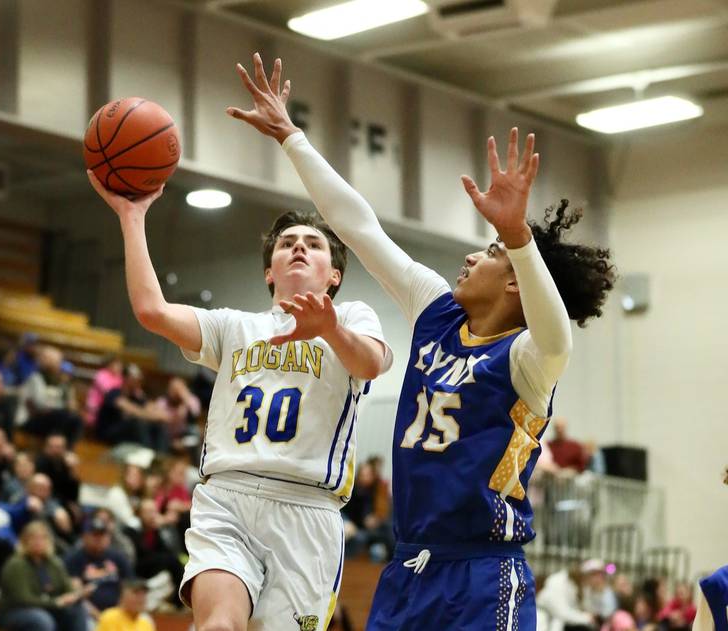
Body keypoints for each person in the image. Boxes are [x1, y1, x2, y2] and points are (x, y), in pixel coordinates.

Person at [229, 52, 615, 630]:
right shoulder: (436, 311)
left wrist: (515, 235)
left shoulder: (527, 358)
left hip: (482, 573)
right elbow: (358, 227)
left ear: (514, 279)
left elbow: (556, 334)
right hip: (408, 569)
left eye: (486, 252)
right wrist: (291, 137)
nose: (468, 255)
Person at [87, 131, 392, 630]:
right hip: (227, 497)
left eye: (312, 245)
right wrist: (132, 217)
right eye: (287, 244)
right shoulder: (234, 326)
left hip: (307, 509)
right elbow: (151, 310)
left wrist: (329, 327)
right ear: (269, 272)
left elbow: (371, 366)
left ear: (333, 275)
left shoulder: (354, 317)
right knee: (218, 625)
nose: (298, 249)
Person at [0, 520, 89, 631]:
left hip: (48, 609)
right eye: (34, 538)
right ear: (24, 541)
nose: (38, 542)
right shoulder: (16, 564)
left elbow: (67, 588)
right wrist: (56, 602)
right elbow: (23, 599)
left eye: (42, 538)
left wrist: (76, 594)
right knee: (41, 619)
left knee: (76, 610)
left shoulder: (54, 563)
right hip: (16, 611)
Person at [64, 515, 133, 619]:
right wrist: (99, 617)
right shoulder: (73, 559)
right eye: (95, 535)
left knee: (145, 619)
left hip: (118, 612)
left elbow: (129, 588)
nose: (99, 539)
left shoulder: (119, 557)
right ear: (84, 537)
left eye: (103, 535)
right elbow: (76, 594)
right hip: (88, 614)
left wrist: (117, 613)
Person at [16, 346, 83, 445]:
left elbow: (65, 404)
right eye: (57, 362)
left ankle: (66, 450)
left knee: (76, 419)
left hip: (49, 418)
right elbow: (40, 404)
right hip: (30, 420)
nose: (59, 366)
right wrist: (59, 408)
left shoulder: (59, 382)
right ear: (47, 363)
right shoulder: (35, 378)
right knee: (63, 416)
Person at [84, 355, 123, 428]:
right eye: (117, 364)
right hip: (96, 410)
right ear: (109, 365)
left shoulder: (119, 377)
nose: (120, 367)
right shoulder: (101, 375)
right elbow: (108, 393)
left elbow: (121, 393)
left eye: (120, 365)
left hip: (111, 408)